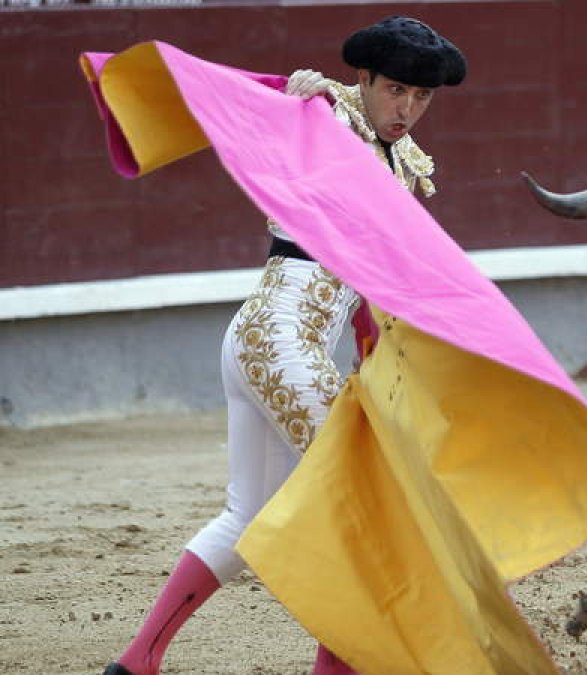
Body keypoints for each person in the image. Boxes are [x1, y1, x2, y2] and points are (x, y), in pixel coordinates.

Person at [101, 16, 467, 675]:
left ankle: (136, 662)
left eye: (422, 96)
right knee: (371, 502)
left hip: (262, 343)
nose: (406, 109)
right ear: (365, 79)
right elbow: (281, 122)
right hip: (281, 346)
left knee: (247, 517)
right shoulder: (326, 116)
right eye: (395, 90)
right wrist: (299, 101)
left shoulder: (403, 163)